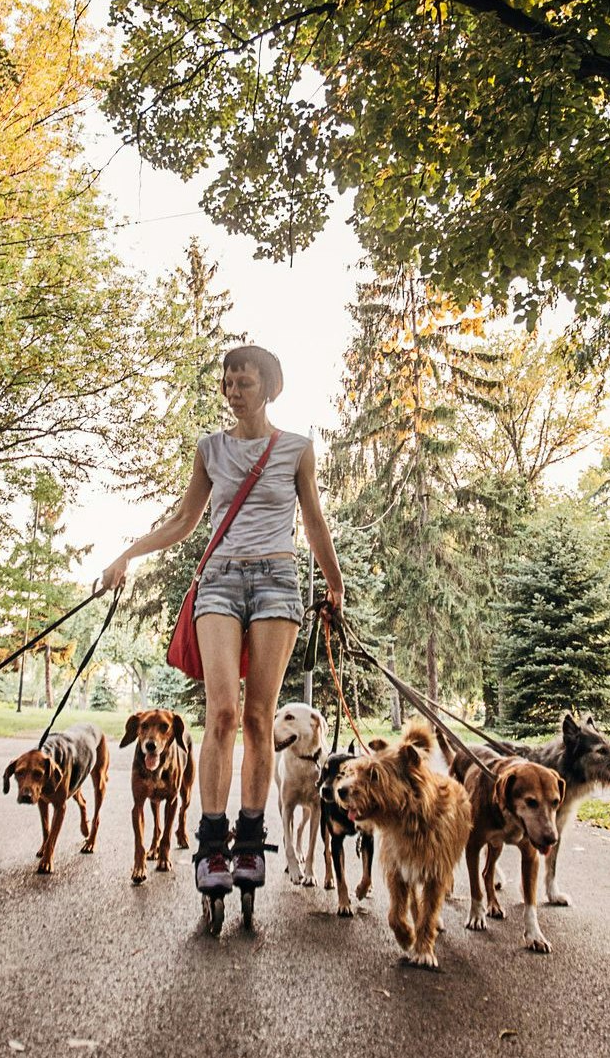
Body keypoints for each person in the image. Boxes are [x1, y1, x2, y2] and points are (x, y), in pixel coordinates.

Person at [99, 344, 345, 897]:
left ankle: (251, 839)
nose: (234, 392)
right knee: (222, 714)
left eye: (245, 382)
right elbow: (185, 520)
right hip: (219, 581)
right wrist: (127, 555)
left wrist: (334, 584)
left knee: (260, 719)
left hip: (278, 582)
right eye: (228, 383)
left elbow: (313, 523)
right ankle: (212, 844)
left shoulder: (298, 450)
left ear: (269, 387)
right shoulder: (209, 449)